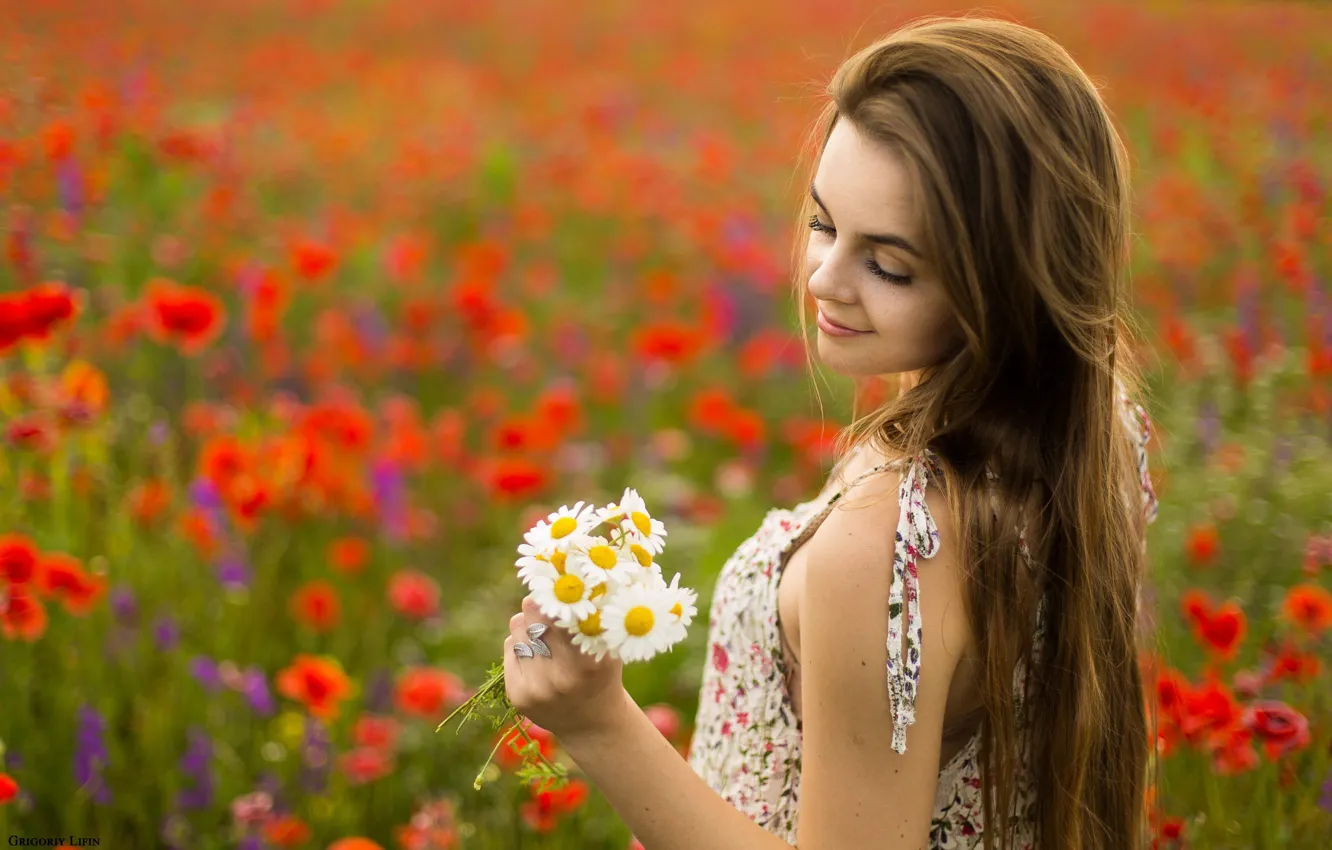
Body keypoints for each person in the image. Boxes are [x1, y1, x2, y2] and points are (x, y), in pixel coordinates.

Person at [502, 14, 1161, 850]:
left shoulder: (888, 551)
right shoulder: (1098, 430)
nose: (823, 277)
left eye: (889, 264)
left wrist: (597, 724)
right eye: (823, 222)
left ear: (1012, 283)